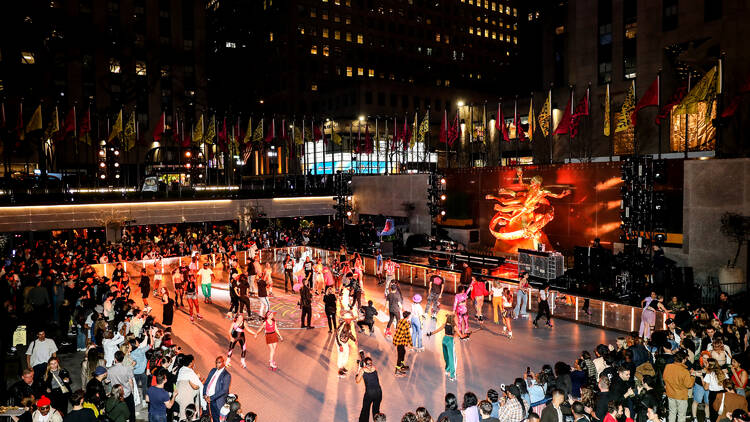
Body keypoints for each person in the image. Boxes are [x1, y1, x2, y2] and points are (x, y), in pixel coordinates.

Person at [664, 351, 694, 422]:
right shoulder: (684, 371)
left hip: (670, 394)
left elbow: (665, 378)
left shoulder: (668, 366)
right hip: (681, 396)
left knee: (672, 413)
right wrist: (692, 376)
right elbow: (689, 385)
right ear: (683, 360)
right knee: (681, 415)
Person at [428, 313, 457, 381]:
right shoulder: (454, 326)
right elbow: (460, 335)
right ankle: (452, 375)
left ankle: (447, 370)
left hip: (444, 340)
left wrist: (431, 333)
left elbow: (438, 330)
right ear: (452, 319)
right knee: (452, 358)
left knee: (446, 356)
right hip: (450, 341)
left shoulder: (444, 325)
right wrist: (465, 335)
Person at [106, 351, 135, 422]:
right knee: (131, 411)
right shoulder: (127, 368)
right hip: (127, 393)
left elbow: (107, 381)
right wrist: (132, 391)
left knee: (117, 411)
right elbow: (131, 381)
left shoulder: (110, 370)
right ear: (123, 358)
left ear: (115, 359)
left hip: (116, 393)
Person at [175, 355, 203, 421]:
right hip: (185, 396)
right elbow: (196, 386)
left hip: (178, 394)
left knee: (183, 411)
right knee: (185, 416)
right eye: (193, 362)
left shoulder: (182, 369)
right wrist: (201, 381)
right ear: (190, 363)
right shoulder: (190, 372)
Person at [203, 356, 231, 422]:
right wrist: (204, 394)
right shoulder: (213, 370)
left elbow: (224, 390)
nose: (217, 364)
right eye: (216, 363)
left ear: (223, 363)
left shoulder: (226, 375)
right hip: (210, 399)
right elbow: (206, 382)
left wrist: (211, 397)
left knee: (220, 419)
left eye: (219, 363)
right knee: (214, 417)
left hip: (218, 401)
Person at [356, 356, 382, 422]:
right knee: (376, 410)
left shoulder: (362, 370)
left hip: (370, 393)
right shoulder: (374, 368)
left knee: (365, 409)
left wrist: (358, 371)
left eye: (370, 364)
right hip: (379, 392)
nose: (370, 365)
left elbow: (357, 380)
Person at [335, 312, 358, 377]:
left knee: (346, 353)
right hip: (340, 342)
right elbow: (337, 335)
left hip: (345, 341)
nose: (350, 320)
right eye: (348, 319)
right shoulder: (342, 326)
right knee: (341, 354)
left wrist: (354, 340)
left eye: (350, 319)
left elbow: (349, 334)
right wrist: (340, 345)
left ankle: (343, 366)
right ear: (345, 319)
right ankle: (340, 370)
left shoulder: (349, 324)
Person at [393, 311, 412, 376]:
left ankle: (401, 366)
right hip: (401, 341)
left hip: (398, 340)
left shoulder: (401, 320)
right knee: (400, 356)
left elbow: (401, 329)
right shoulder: (406, 324)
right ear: (408, 316)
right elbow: (408, 334)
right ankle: (397, 371)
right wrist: (411, 344)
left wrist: (408, 324)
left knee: (403, 352)